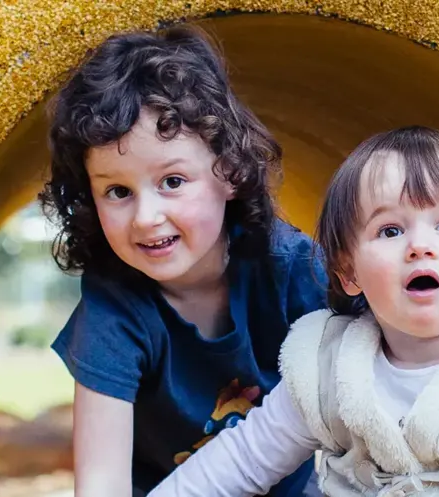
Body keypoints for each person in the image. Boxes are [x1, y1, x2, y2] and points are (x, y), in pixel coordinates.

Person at [148, 126, 439, 496]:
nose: (421, 245)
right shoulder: (327, 367)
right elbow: (243, 459)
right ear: (348, 271)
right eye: (390, 231)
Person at [39, 24, 326, 496]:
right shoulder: (116, 308)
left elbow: (388, 366)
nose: (147, 218)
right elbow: (100, 482)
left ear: (229, 172)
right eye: (118, 191)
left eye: (172, 181)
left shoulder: (288, 266)